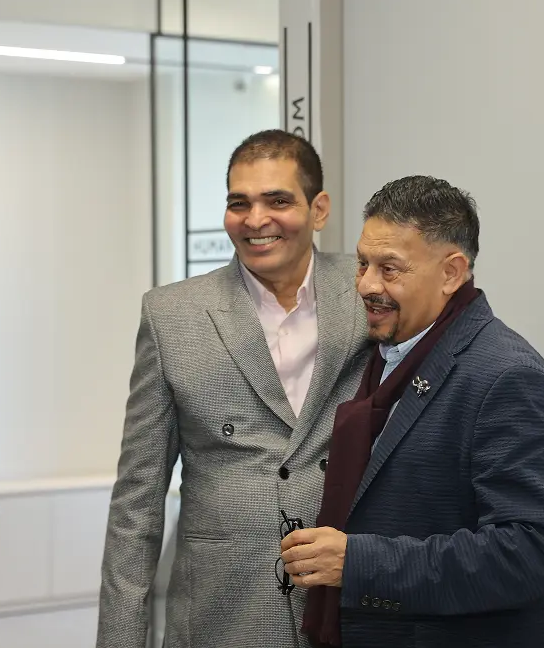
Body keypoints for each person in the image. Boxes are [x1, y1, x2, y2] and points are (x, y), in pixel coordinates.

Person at [96, 130, 370, 648]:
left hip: (350, 602)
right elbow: (137, 501)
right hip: (223, 608)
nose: (255, 219)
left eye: (278, 201)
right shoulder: (172, 316)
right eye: (238, 203)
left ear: (319, 209)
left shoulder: (366, 291)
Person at [281, 176, 544, 648]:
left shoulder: (506, 375)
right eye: (362, 263)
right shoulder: (381, 352)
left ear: (451, 273)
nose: (366, 284)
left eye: (390, 269)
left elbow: (535, 552)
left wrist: (359, 564)